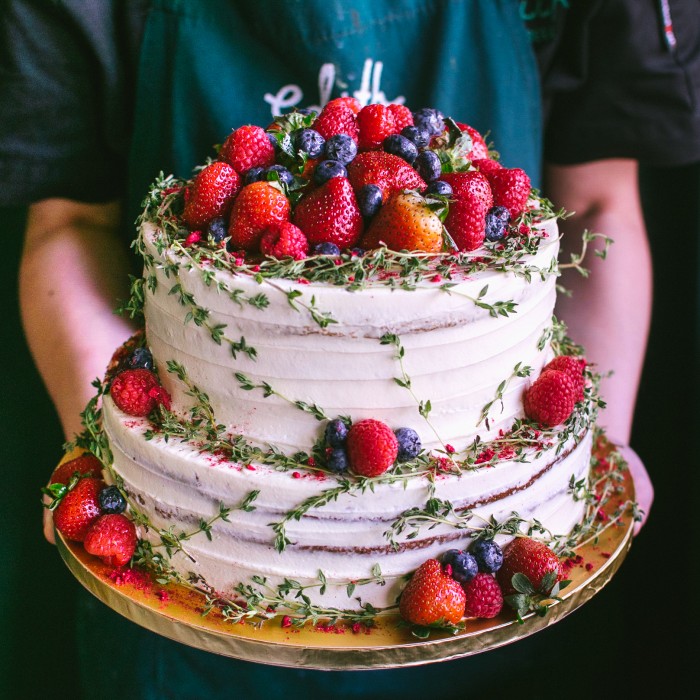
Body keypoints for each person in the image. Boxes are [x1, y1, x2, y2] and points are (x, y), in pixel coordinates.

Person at [3, 0, 698, 697]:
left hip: (491, 606)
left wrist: (572, 473)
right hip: (186, 639)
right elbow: (69, 221)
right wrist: (133, 469)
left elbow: (598, 204)